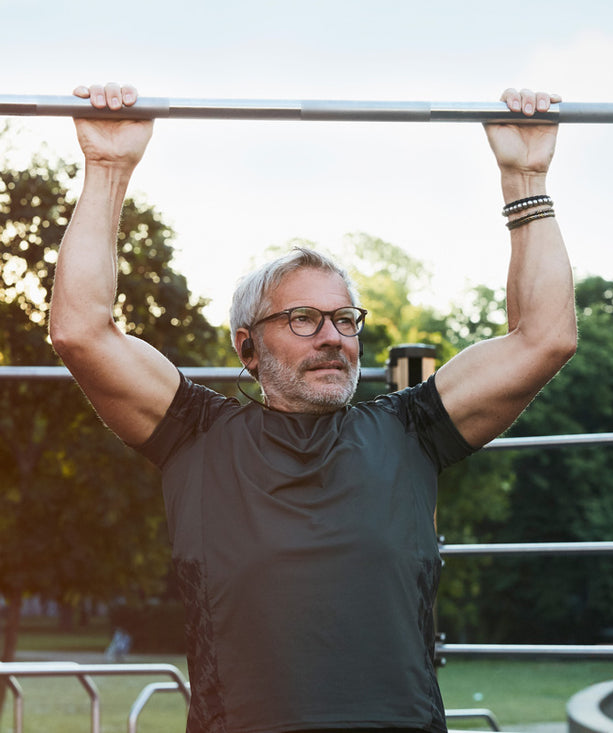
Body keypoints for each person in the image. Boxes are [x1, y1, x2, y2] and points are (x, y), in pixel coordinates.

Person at [50, 82, 577, 733]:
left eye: (344, 319)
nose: (333, 337)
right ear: (247, 346)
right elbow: (81, 330)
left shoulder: (409, 429)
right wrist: (107, 168)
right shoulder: (197, 435)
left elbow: (545, 336)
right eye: (303, 318)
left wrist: (525, 177)